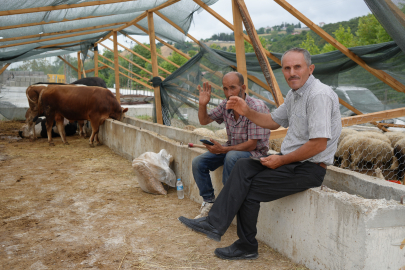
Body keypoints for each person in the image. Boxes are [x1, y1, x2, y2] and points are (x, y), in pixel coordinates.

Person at [179, 48, 342, 260]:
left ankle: (246, 246)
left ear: (310, 69)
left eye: (297, 67)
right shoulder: (295, 95)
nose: (292, 72)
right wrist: (246, 111)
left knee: (248, 187)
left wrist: (281, 159)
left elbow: (318, 145)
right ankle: (213, 223)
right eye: (287, 68)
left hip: (308, 168)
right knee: (243, 166)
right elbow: (272, 121)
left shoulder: (318, 95)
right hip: (291, 163)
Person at [192, 71, 270, 219]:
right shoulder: (225, 105)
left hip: (256, 154)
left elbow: (252, 145)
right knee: (198, 162)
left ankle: (226, 207)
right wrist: (202, 104)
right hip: (231, 150)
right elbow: (204, 121)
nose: (229, 93)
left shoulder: (256, 107)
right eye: (225, 89)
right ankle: (209, 202)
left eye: (233, 88)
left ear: (243, 87)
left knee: (231, 156)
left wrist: (224, 149)